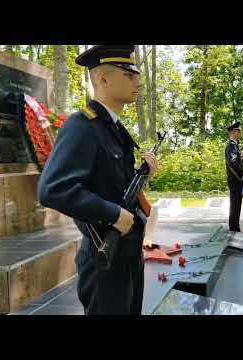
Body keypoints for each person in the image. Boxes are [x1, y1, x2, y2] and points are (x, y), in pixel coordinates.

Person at [38, 45, 158, 315]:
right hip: (105, 261)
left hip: (128, 255)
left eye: (137, 75)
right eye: (129, 75)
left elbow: (114, 185)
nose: (138, 81)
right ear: (102, 79)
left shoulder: (114, 128)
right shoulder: (81, 126)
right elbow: (52, 189)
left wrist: (143, 178)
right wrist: (112, 213)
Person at [225, 121, 243, 233]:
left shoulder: (235, 146)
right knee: (235, 204)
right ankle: (234, 229)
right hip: (235, 179)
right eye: (239, 131)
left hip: (235, 179)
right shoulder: (231, 146)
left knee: (236, 204)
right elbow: (233, 162)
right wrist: (242, 171)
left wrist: (242, 158)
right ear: (234, 132)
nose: (241, 133)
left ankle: (235, 227)